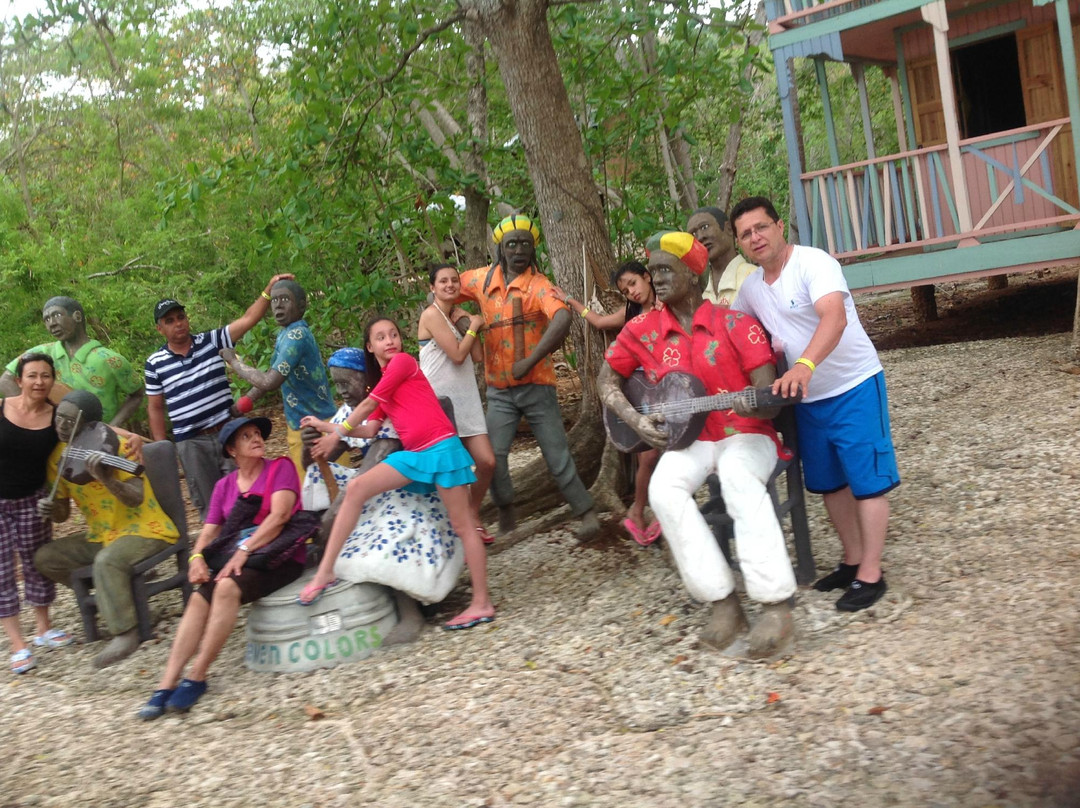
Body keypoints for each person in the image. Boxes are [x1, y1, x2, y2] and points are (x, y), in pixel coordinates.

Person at [597, 231, 798, 658]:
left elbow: (767, 401)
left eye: (666, 271)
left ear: (695, 272)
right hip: (689, 439)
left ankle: (775, 604)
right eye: (653, 273)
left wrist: (757, 402)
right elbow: (606, 379)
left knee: (739, 477)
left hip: (746, 433)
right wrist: (634, 418)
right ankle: (722, 602)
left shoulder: (735, 324)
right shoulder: (644, 330)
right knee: (662, 490)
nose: (657, 279)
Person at [729, 196, 900, 611]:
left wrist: (804, 363)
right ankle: (852, 559)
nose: (756, 238)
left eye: (761, 227)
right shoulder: (752, 289)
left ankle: (872, 575)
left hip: (854, 384)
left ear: (779, 226)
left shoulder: (813, 263)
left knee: (868, 481)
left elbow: (834, 317)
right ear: (739, 243)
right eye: (746, 234)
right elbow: (731, 331)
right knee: (829, 484)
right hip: (807, 400)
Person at [300, 317, 494, 630]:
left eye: (393, 335)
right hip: (415, 454)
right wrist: (326, 426)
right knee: (358, 488)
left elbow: (364, 407)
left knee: (464, 526)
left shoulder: (403, 363)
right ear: (369, 346)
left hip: (441, 449)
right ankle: (326, 571)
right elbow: (369, 429)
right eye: (381, 337)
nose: (390, 341)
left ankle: (481, 602)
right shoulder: (382, 384)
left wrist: (336, 436)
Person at [137, 416, 307, 719]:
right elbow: (210, 530)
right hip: (241, 559)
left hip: (279, 556)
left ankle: (198, 674)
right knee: (201, 596)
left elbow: (280, 516)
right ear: (231, 450)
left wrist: (244, 549)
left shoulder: (280, 468)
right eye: (246, 437)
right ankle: (166, 682)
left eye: (258, 434)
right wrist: (196, 558)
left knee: (226, 586)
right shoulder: (224, 486)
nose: (256, 439)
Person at [457, 214, 598, 538]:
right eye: (511, 244)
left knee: (556, 454)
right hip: (499, 391)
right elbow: (440, 294)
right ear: (500, 248)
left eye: (525, 244)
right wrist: (467, 321)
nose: (518, 250)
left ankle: (585, 510)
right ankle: (506, 509)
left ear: (533, 249)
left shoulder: (539, 285)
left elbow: (562, 318)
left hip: (537, 386)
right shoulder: (480, 280)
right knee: (493, 457)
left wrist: (533, 359)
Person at [34, 390, 180, 669]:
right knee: (46, 557)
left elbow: (135, 496)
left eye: (68, 420)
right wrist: (52, 510)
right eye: (58, 418)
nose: (60, 425)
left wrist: (107, 478)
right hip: (101, 534)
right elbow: (63, 514)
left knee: (107, 561)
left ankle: (126, 633)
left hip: (144, 528)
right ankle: (113, 595)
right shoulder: (57, 457)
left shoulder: (120, 444)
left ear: (87, 422)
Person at [145, 273, 295, 520]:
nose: (178, 323)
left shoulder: (212, 341)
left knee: (245, 494)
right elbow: (155, 407)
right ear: (160, 329)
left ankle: (251, 547)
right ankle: (218, 553)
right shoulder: (154, 363)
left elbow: (248, 319)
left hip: (228, 433)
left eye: (181, 317)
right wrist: (164, 449)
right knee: (210, 506)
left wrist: (269, 289)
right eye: (170, 321)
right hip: (191, 443)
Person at [552, 261, 663, 545]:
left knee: (672, 449)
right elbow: (599, 322)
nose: (631, 292)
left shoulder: (669, 303)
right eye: (625, 289)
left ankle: (665, 510)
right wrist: (569, 300)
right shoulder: (631, 312)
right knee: (647, 454)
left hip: (671, 385)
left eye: (633, 284)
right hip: (641, 388)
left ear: (647, 277)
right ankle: (637, 512)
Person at [0, 353, 73, 675]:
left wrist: (137, 442)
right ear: (19, 381)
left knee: (36, 564)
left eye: (45, 376)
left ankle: (44, 630)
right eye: (32, 375)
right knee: (2, 574)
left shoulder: (57, 418)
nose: (39, 382)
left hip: (33, 500)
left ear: (52, 381)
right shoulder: (2, 407)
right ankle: (18, 646)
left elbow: (96, 428)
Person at [221, 278, 337, 481]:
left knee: (327, 491)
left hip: (318, 425)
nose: (278, 305)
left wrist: (234, 361)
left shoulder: (297, 335)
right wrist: (244, 404)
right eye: (274, 300)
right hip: (300, 424)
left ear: (301, 305)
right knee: (310, 491)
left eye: (285, 299)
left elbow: (269, 382)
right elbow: (272, 379)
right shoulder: (285, 334)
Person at [418, 263, 496, 543]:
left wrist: (470, 323)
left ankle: (473, 513)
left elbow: (476, 356)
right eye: (443, 281)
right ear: (432, 287)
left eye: (454, 280)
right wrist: (474, 326)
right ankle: (457, 529)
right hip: (439, 400)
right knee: (453, 469)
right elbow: (458, 355)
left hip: (466, 398)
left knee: (486, 462)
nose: (450, 285)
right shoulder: (432, 315)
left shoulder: (457, 316)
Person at [0, 297, 142, 426]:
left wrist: (112, 426)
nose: (52, 324)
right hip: (52, 436)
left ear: (77, 316)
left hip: (96, 440)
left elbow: (137, 394)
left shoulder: (110, 360)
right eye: (47, 319)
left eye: (57, 315)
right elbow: (6, 380)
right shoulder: (41, 353)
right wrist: (31, 412)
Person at [686, 206, 756, 307]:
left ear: (729, 229)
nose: (700, 237)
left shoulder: (754, 277)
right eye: (693, 234)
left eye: (705, 227)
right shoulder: (697, 288)